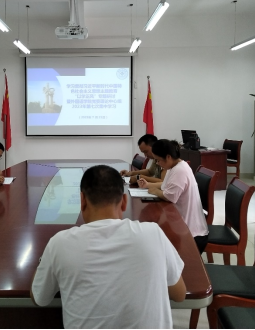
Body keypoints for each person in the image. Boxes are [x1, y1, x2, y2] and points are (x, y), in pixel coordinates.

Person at [31, 165, 186, 329]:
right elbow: (179, 294)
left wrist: (46, 258)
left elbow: (39, 298)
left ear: (82, 200)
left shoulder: (59, 244)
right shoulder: (153, 233)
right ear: (124, 202)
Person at [138, 139, 209, 254]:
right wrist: (148, 185)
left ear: (168, 157)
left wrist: (155, 191)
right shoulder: (173, 167)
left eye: (158, 160)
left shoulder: (180, 170)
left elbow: (169, 196)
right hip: (180, 224)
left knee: (154, 245)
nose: (157, 163)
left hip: (191, 234)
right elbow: (166, 185)